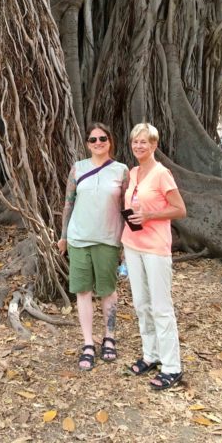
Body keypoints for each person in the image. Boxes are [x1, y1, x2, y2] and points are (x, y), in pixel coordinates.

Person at [57, 123, 128, 371]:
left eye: (103, 138)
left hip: (108, 239)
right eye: (93, 139)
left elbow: (127, 208)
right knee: (83, 291)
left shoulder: (121, 170)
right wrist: (64, 236)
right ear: (87, 143)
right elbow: (68, 204)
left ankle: (109, 337)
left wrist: (126, 242)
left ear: (110, 141)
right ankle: (88, 343)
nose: (98, 142)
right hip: (78, 239)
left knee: (108, 290)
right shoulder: (78, 168)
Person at [122, 123, 186, 390]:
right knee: (141, 304)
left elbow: (179, 209)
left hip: (156, 248)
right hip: (132, 245)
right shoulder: (134, 172)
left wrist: (149, 216)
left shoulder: (162, 174)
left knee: (161, 307)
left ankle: (172, 367)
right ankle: (152, 354)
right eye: (135, 141)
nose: (139, 146)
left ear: (154, 145)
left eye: (144, 142)